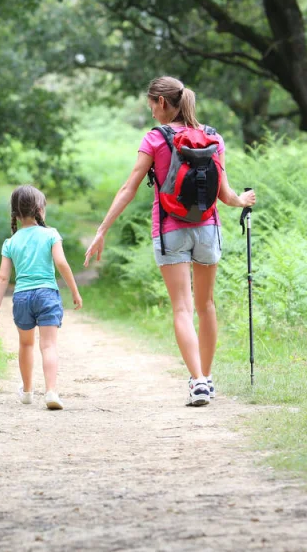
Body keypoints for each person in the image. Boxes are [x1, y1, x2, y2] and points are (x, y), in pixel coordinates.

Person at [84, 76, 256, 406]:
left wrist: (102, 230)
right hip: (208, 229)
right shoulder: (213, 137)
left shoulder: (155, 139)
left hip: (170, 230)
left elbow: (129, 188)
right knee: (206, 305)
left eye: (151, 105)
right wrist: (243, 200)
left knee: (182, 306)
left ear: (162, 103)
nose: (151, 113)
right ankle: (206, 378)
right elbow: (224, 194)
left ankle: (198, 382)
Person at [0, 185, 82, 410]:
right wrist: (74, 291)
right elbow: (61, 263)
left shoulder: (11, 242)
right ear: (40, 209)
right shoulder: (50, 234)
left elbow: (3, 278)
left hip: (21, 297)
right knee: (48, 345)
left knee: (26, 345)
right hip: (47, 294)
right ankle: (51, 391)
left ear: (15, 214)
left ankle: (28, 392)